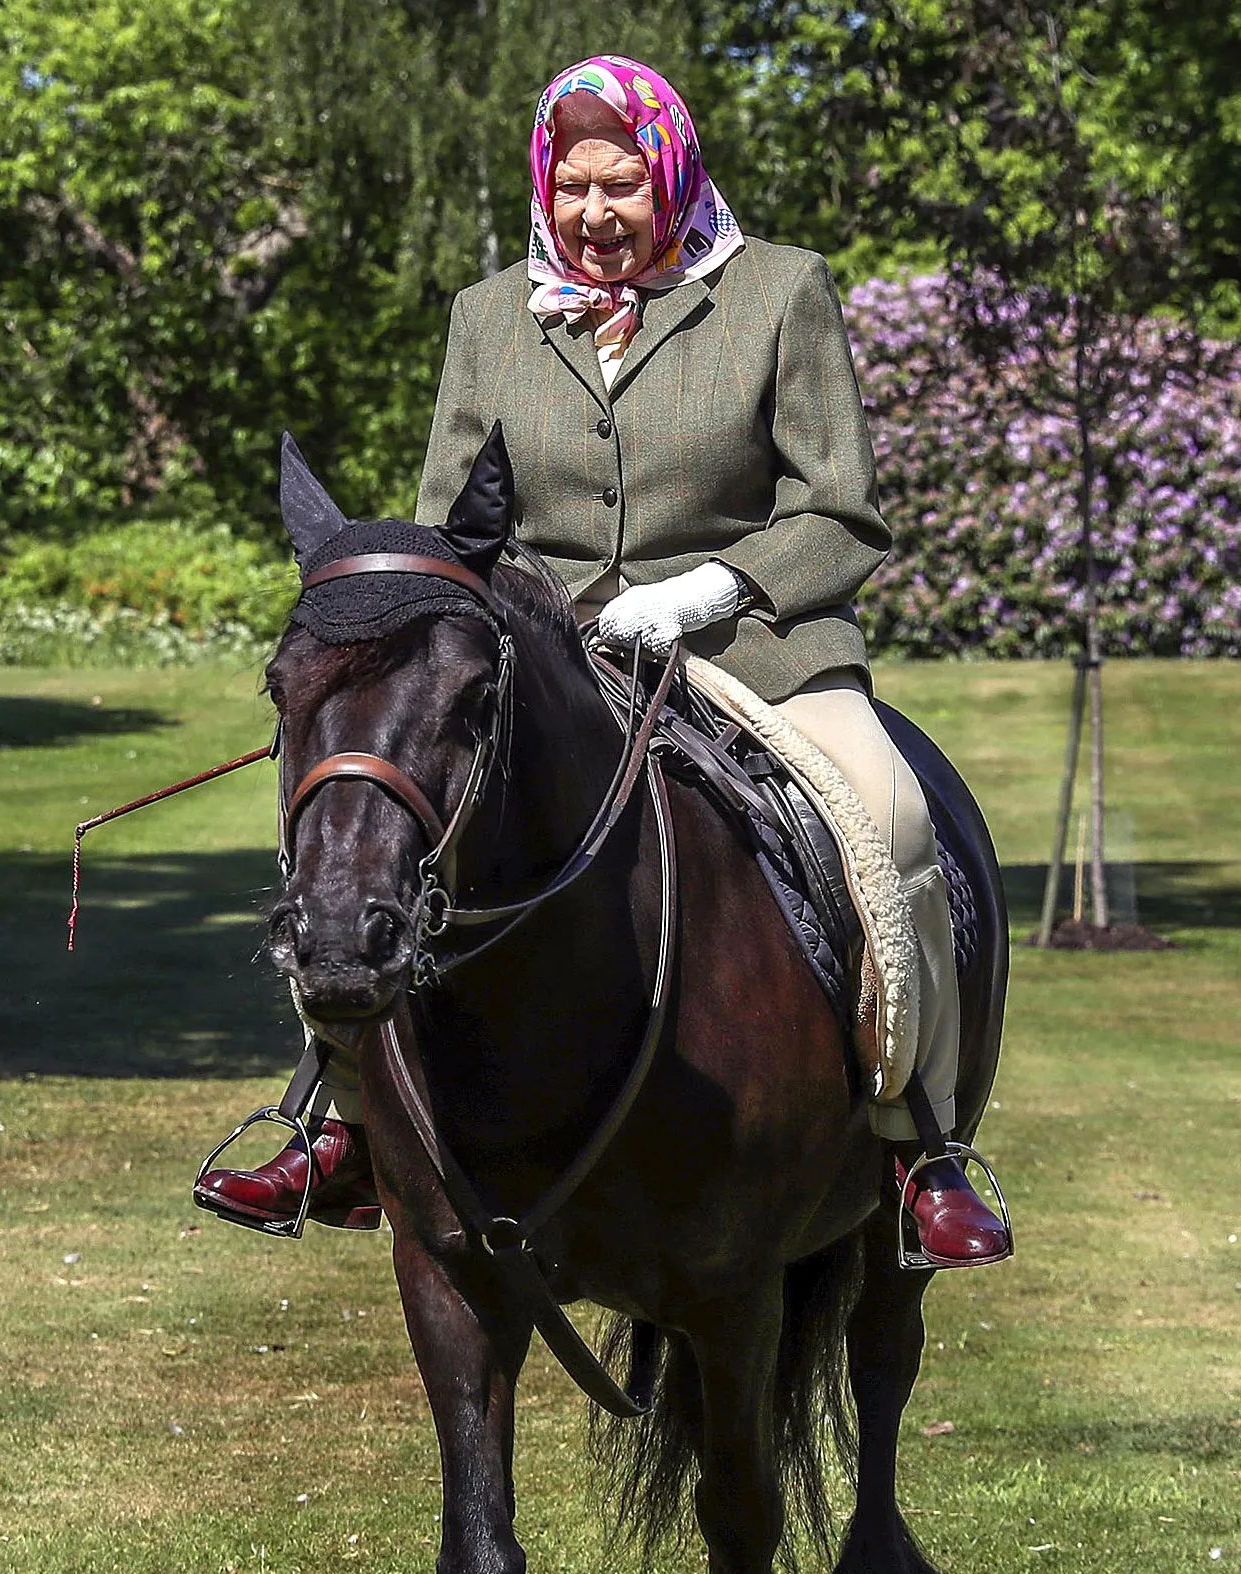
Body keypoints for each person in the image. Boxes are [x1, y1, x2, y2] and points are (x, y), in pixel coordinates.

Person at [198, 53, 1009, 1267]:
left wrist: (710, 589)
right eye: (571, 188)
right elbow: (448, 531)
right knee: (389, 831)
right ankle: (345, 1119)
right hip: (545, 657)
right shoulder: (489, 316)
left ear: (669, 171)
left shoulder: (778, 292)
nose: (593, 215)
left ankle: (919, 1142)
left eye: (621, 185)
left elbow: (840, 513)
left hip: (755, 643)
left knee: (890, 819)